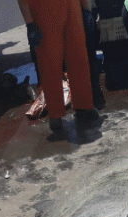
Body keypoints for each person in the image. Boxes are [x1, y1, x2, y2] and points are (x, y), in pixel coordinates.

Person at [19, 0, 101, 132]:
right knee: (49, 64)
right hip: (44, 12)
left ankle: (83, 105)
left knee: (79, 58)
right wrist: (29, 24)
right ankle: (55, 114)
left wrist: (86, 10)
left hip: (73, 9)